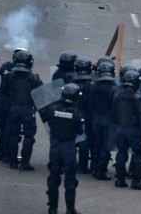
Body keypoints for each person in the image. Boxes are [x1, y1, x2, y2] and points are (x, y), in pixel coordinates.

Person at [45, 83, 83, 214]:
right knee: (70, 180)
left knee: (54, 178)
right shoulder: (76, 113)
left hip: (55, 147)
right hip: (68, 148)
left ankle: (53, 208)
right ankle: (70, 209)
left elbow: (46, 117)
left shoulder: (53, 108)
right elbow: (80, 131)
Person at [112, 70, 141, 190]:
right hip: (134, 130)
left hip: (120, 129)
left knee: (121, 153)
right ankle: (136, 182)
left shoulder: (118, 95)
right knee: (138, 154)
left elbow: (113, 113)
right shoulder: (139, 98)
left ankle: (120, 180)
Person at [6, 50, 42, 170]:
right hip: (28, 109)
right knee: (29, 136)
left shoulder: (9, 75)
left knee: (13, 135)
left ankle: (13, 162)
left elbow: (4, 92)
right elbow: (39, 95)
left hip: (14, 108)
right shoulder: (34, 77)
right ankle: (25, 163)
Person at [90, 61, 116, 180]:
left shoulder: (94, 86)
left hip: (96, 118)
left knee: (96, 144)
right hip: (108, 120)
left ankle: (94, 168)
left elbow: (90, 104)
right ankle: (101, 170)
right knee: (106, 146)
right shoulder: (114, 88)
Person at [72, 57, 93, 174]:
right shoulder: (90, 83)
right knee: (84, 139)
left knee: (70, 137)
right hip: (85, 113)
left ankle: (68, 162)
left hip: (71, 111)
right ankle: (83, 165)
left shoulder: (71, 82)